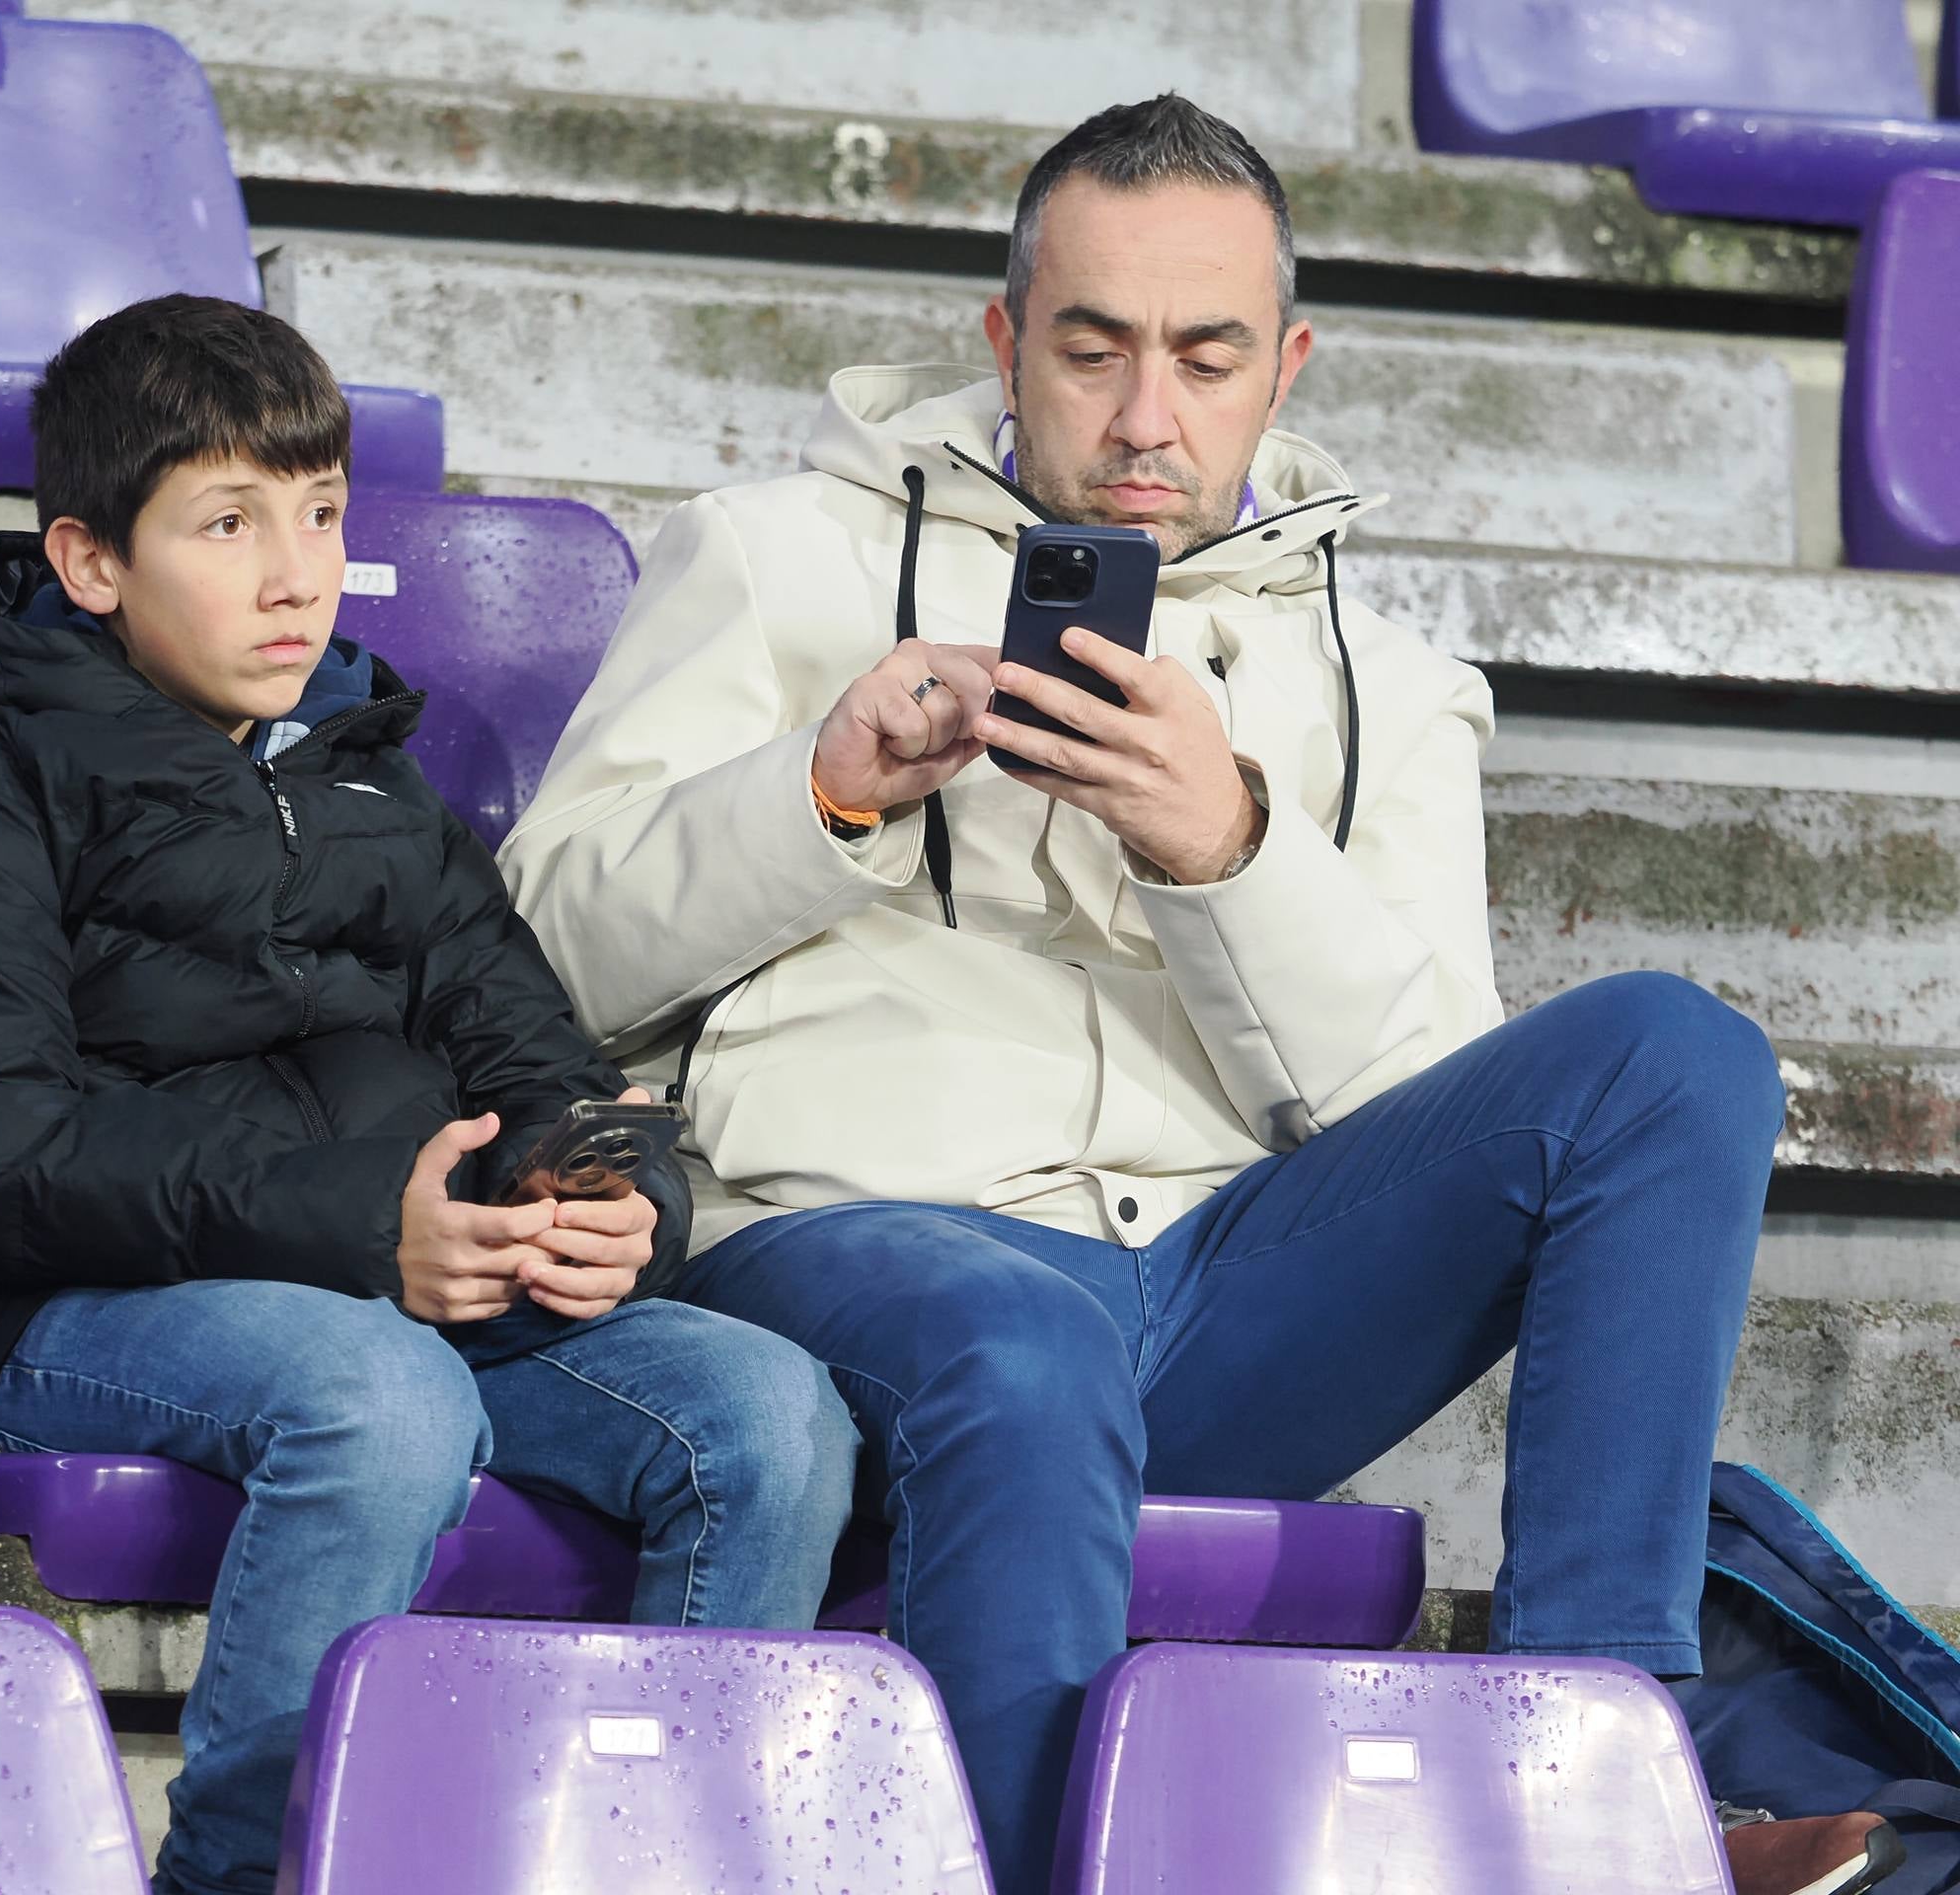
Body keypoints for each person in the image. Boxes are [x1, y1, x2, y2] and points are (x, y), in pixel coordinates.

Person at [498, 96, 1886, 1895]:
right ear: (1005, 341)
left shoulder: (1392, 681)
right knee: (1022, 1336)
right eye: (1093, 349)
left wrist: (1227, 845)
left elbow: (1433, 1105)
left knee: (1676, 1058)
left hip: (1224, 1292)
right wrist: (820, 793)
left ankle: (1594, 1773)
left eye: (1207, 356)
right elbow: (548, 953)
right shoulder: (778, 556)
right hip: (853, 1243)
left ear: (1285, 365)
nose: (1148, 417)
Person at [0, 293, 859, 1895]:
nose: (295, 572)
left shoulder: (376, 781)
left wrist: (611, 1205)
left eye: (318, 514)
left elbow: (537, 1051)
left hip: (392, 1292)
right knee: (380, 1399)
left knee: (772, 1419)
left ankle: (658, 1865)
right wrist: (369, 1231)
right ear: (95, 564)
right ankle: (245, 1873)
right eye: (228, 523)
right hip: (71, 1313)